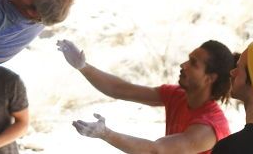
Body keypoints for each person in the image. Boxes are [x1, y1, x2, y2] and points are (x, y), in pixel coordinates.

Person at [58, 39, 235, 154]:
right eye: (188, 59)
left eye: (193, 63)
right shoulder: (177, 96)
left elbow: (156, 151)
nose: (183, 65)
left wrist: (105, 134)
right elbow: (120, 89)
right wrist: (83, 67)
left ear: (209, 78)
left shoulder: (210, 127)